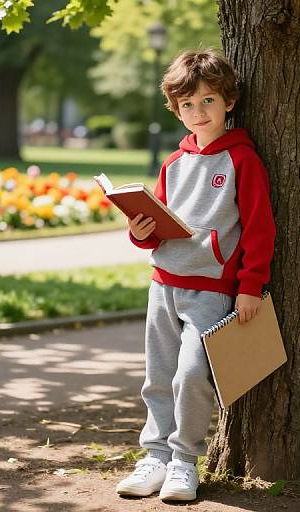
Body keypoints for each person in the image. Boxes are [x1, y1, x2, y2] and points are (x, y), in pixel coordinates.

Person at [116, 49, 276, 502]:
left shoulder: (243, 160)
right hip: (162, 286)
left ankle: (185, 460)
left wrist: (250, 287)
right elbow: (159, 229)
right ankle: (154, 458)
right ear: (176, 108)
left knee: (191, 375)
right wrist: (140, 232)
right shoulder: (173, 163)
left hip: (211, 292)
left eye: (208, 100)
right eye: (187, 104)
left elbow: (260, 229)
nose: (198, 112)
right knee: (159, 377)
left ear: (229, 101)